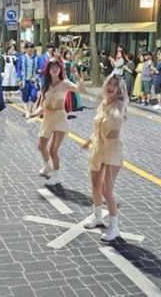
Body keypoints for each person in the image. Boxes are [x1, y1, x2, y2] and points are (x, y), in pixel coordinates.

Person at [82, 74, 127, 242]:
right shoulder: (103, 103)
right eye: (110, 83)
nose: (111, 87)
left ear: (119, 89)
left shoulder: (119, 105)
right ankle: (97, 217)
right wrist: (88, 141)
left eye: (115, 85)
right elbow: (97, 128)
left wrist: (116, 111)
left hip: (113, 149)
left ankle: (114, 227)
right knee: (96, 185)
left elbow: (118, 114)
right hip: (98, 147)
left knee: (107, 189)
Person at [29, 58, 85, 186]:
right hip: (48, 118)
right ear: (48, 70)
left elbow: (81, 90)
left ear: (60, 69)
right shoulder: (45, 85)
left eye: (57, 67)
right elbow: (42, 106)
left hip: (60, 117)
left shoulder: (65, 83)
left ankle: (56, 176)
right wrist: (33, 114)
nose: (54, 69)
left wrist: (78, 77)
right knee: (41, 146)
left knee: (53, 150)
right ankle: (47, 166)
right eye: (52, 67)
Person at [17, 43, 40, 118]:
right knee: (25, 97)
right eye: (28, 48)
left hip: (33, 81)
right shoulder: (21, 58)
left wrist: (36, 77)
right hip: (24, 81)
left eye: (32, 48)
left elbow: (39, 70)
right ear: (26, 49)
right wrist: (19, 80)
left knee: (34, 95)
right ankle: (27, 110)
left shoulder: (37, 58)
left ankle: (29, 110)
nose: (30, 49)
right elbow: (19, 69)